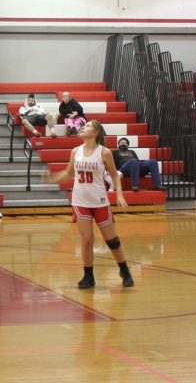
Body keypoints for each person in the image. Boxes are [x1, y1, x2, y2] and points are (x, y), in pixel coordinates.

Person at [46, 120, 134, 289]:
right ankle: (88, 276)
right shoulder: (75, 151)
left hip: (99, 201)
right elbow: (68, 172)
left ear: (95, 133)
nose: (82, 127)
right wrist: (53, 178)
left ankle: (124, 270)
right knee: (86, 240)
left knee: (112, 241)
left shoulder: (105, 153)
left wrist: (120, 195)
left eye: (86, 126)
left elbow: (115, 176)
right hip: (80, 201)